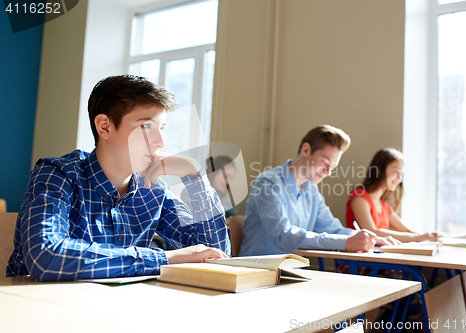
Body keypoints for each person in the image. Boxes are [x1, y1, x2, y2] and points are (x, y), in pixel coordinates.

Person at [6, 75, 229, 281]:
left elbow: (214, 253)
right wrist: (165, 259)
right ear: (105, 126)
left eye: (162, 128)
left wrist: (196, 176)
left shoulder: (153, 188)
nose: (161, 142)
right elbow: (46, 257)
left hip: (113, 311)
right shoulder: (56, 174)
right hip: (38, 310)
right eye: (146, 126)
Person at [239, 125, 396, 257]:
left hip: (289, 273)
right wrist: (346, 243)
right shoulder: (268, 183)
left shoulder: (311, 191)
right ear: (306, 150)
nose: (327, 172)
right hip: (256, 273)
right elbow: (282, 235)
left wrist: (367, 238)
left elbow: (333, 228)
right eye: (325, 162)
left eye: (332, 167)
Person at [346, 148, 439, 242]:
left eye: (401, 174)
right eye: (396, 172)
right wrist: (417, 238)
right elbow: (372, 232)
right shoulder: (359, 197)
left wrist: (429, 236)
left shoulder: (384, 206)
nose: (400, 178)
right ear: (379, 170)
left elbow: (407, 230)